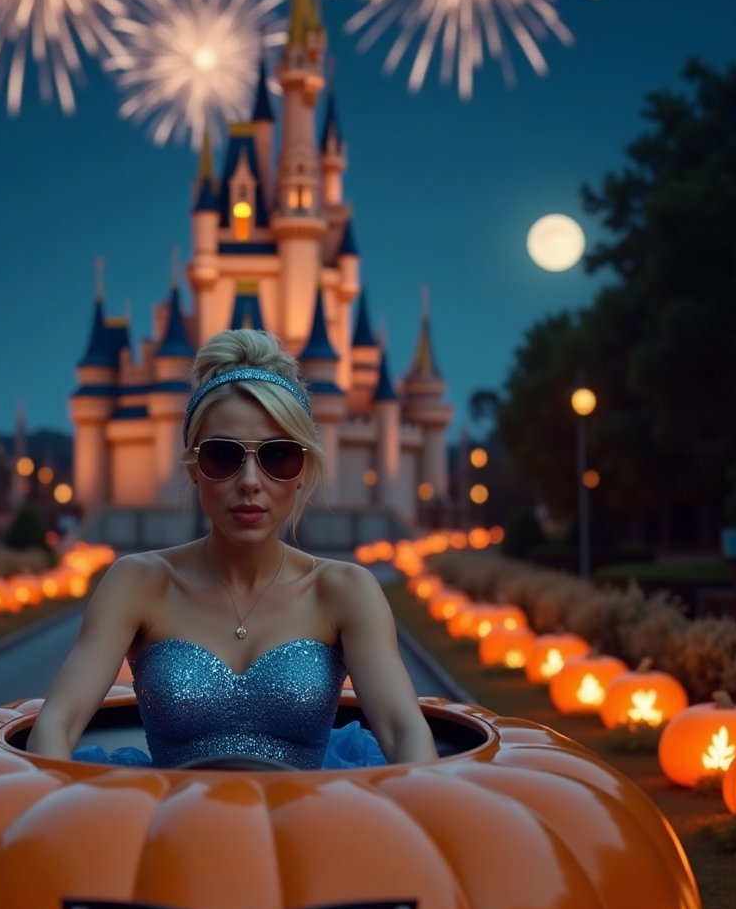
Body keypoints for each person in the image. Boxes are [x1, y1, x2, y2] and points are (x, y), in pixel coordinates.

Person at [26, 328, 438, 769]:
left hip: (312, 832)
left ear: (303, 470)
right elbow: (58, 723)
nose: (249, 482)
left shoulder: (345, 590)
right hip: (168, 831)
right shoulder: (138, 583)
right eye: (223, 456)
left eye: (278, 457)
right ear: (194, 469)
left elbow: (403, 729)